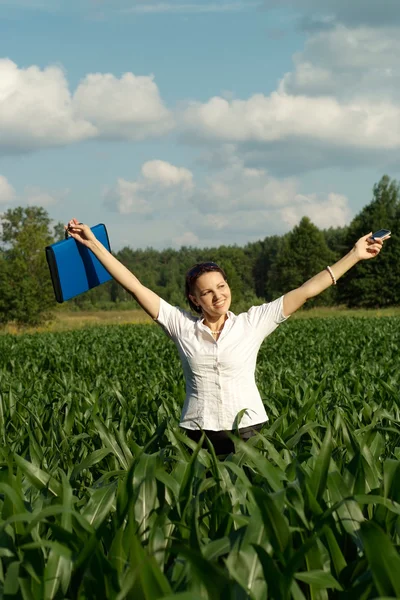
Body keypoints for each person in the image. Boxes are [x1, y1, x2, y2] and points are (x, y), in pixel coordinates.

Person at [65, 219, 388, 455]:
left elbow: (307, 290)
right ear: (194, 299)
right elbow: (135, 286)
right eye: (207, 292)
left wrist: (355, 255)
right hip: (197, 434)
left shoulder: (253, 322)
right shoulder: (181, 325)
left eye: (221, 287)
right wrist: (93, 245)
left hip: (248, 433)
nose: (218, 296)